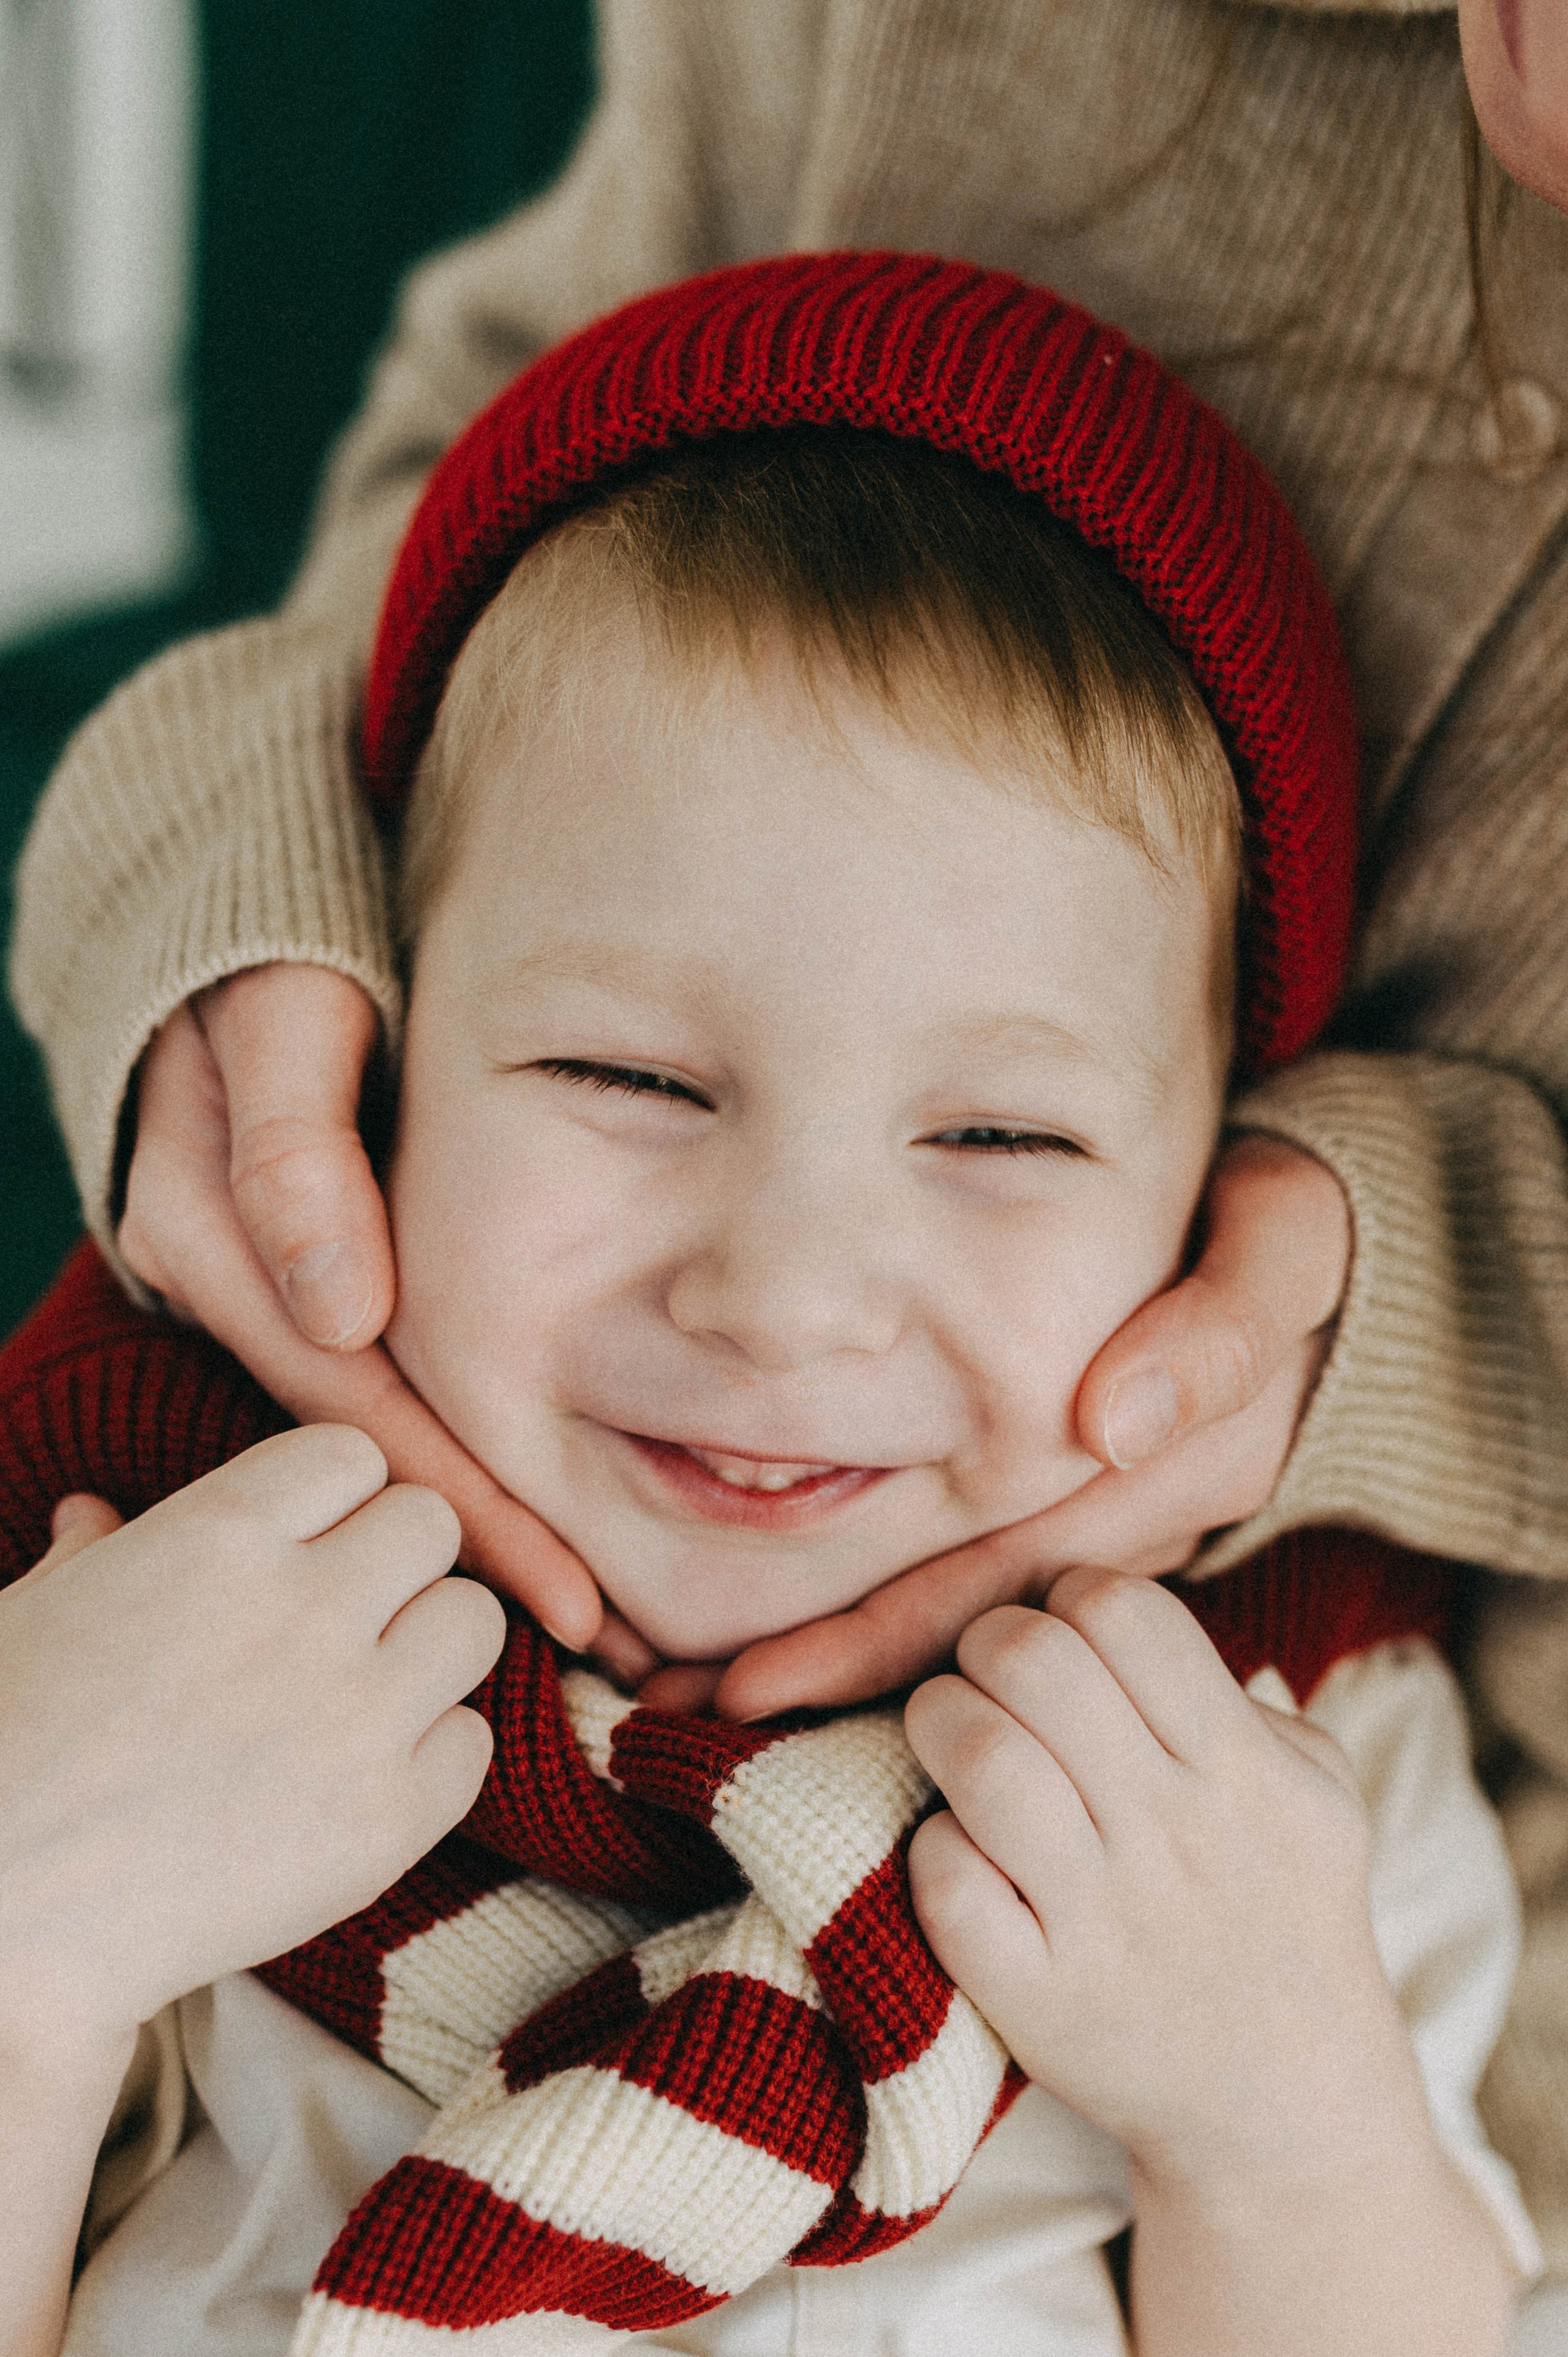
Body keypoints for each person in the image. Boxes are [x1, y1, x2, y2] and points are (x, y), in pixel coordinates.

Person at [11, 0, 1568, 2293]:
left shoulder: (1253, 1773)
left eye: (1008, 1133)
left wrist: (1290, 2136)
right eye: (630, 1083)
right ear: (395, 1045)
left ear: (1216, 1186)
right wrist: (30, 1925)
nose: (786, 1292)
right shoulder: (137, 1597)